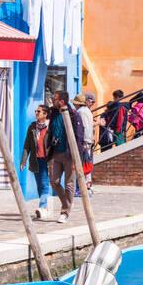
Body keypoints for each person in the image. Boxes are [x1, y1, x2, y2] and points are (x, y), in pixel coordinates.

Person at [46, 90, 86, 222]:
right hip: (55, 153)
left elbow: (79, 138)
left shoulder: (74, 116)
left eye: (55, 98)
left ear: (61, 101)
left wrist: (77, 158)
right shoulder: (53, 113)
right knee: (54, 181)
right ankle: (68, 203)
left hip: (69, 155)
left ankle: (65, 212)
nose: (53, 100)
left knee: (69, 184)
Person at [20, 103, 51, 217]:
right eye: (36, 111)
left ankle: (42, 206)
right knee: (40, 185)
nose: (36, 113)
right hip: (35, 160)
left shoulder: (50, 127)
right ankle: (44, 207)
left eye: (39, 111)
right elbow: (27, 145)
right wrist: (23, 161)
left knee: (44, 184)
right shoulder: (32, 127)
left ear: (45, 114)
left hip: (48, 160)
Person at [74, 92, 96, 194]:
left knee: (83, 165)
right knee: (87, 163)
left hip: (84, 141)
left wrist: (83, 142)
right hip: (89, 140)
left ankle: (83, 188)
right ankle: (88, 187)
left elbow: (82, 128)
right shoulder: (87, 111)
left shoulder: (80, 112)